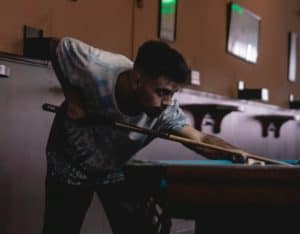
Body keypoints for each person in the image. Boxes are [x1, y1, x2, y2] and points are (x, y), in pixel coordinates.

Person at [41, 37, 246, 234]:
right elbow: (57, 46)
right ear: (137, 79)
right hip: (69, 161)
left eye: (172, 94)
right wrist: (72, 97)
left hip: (113, 167)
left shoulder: (166, 112)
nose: (167, 101)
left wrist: (235, 153)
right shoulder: (96, 67)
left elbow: (199, 140)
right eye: (162, 92)